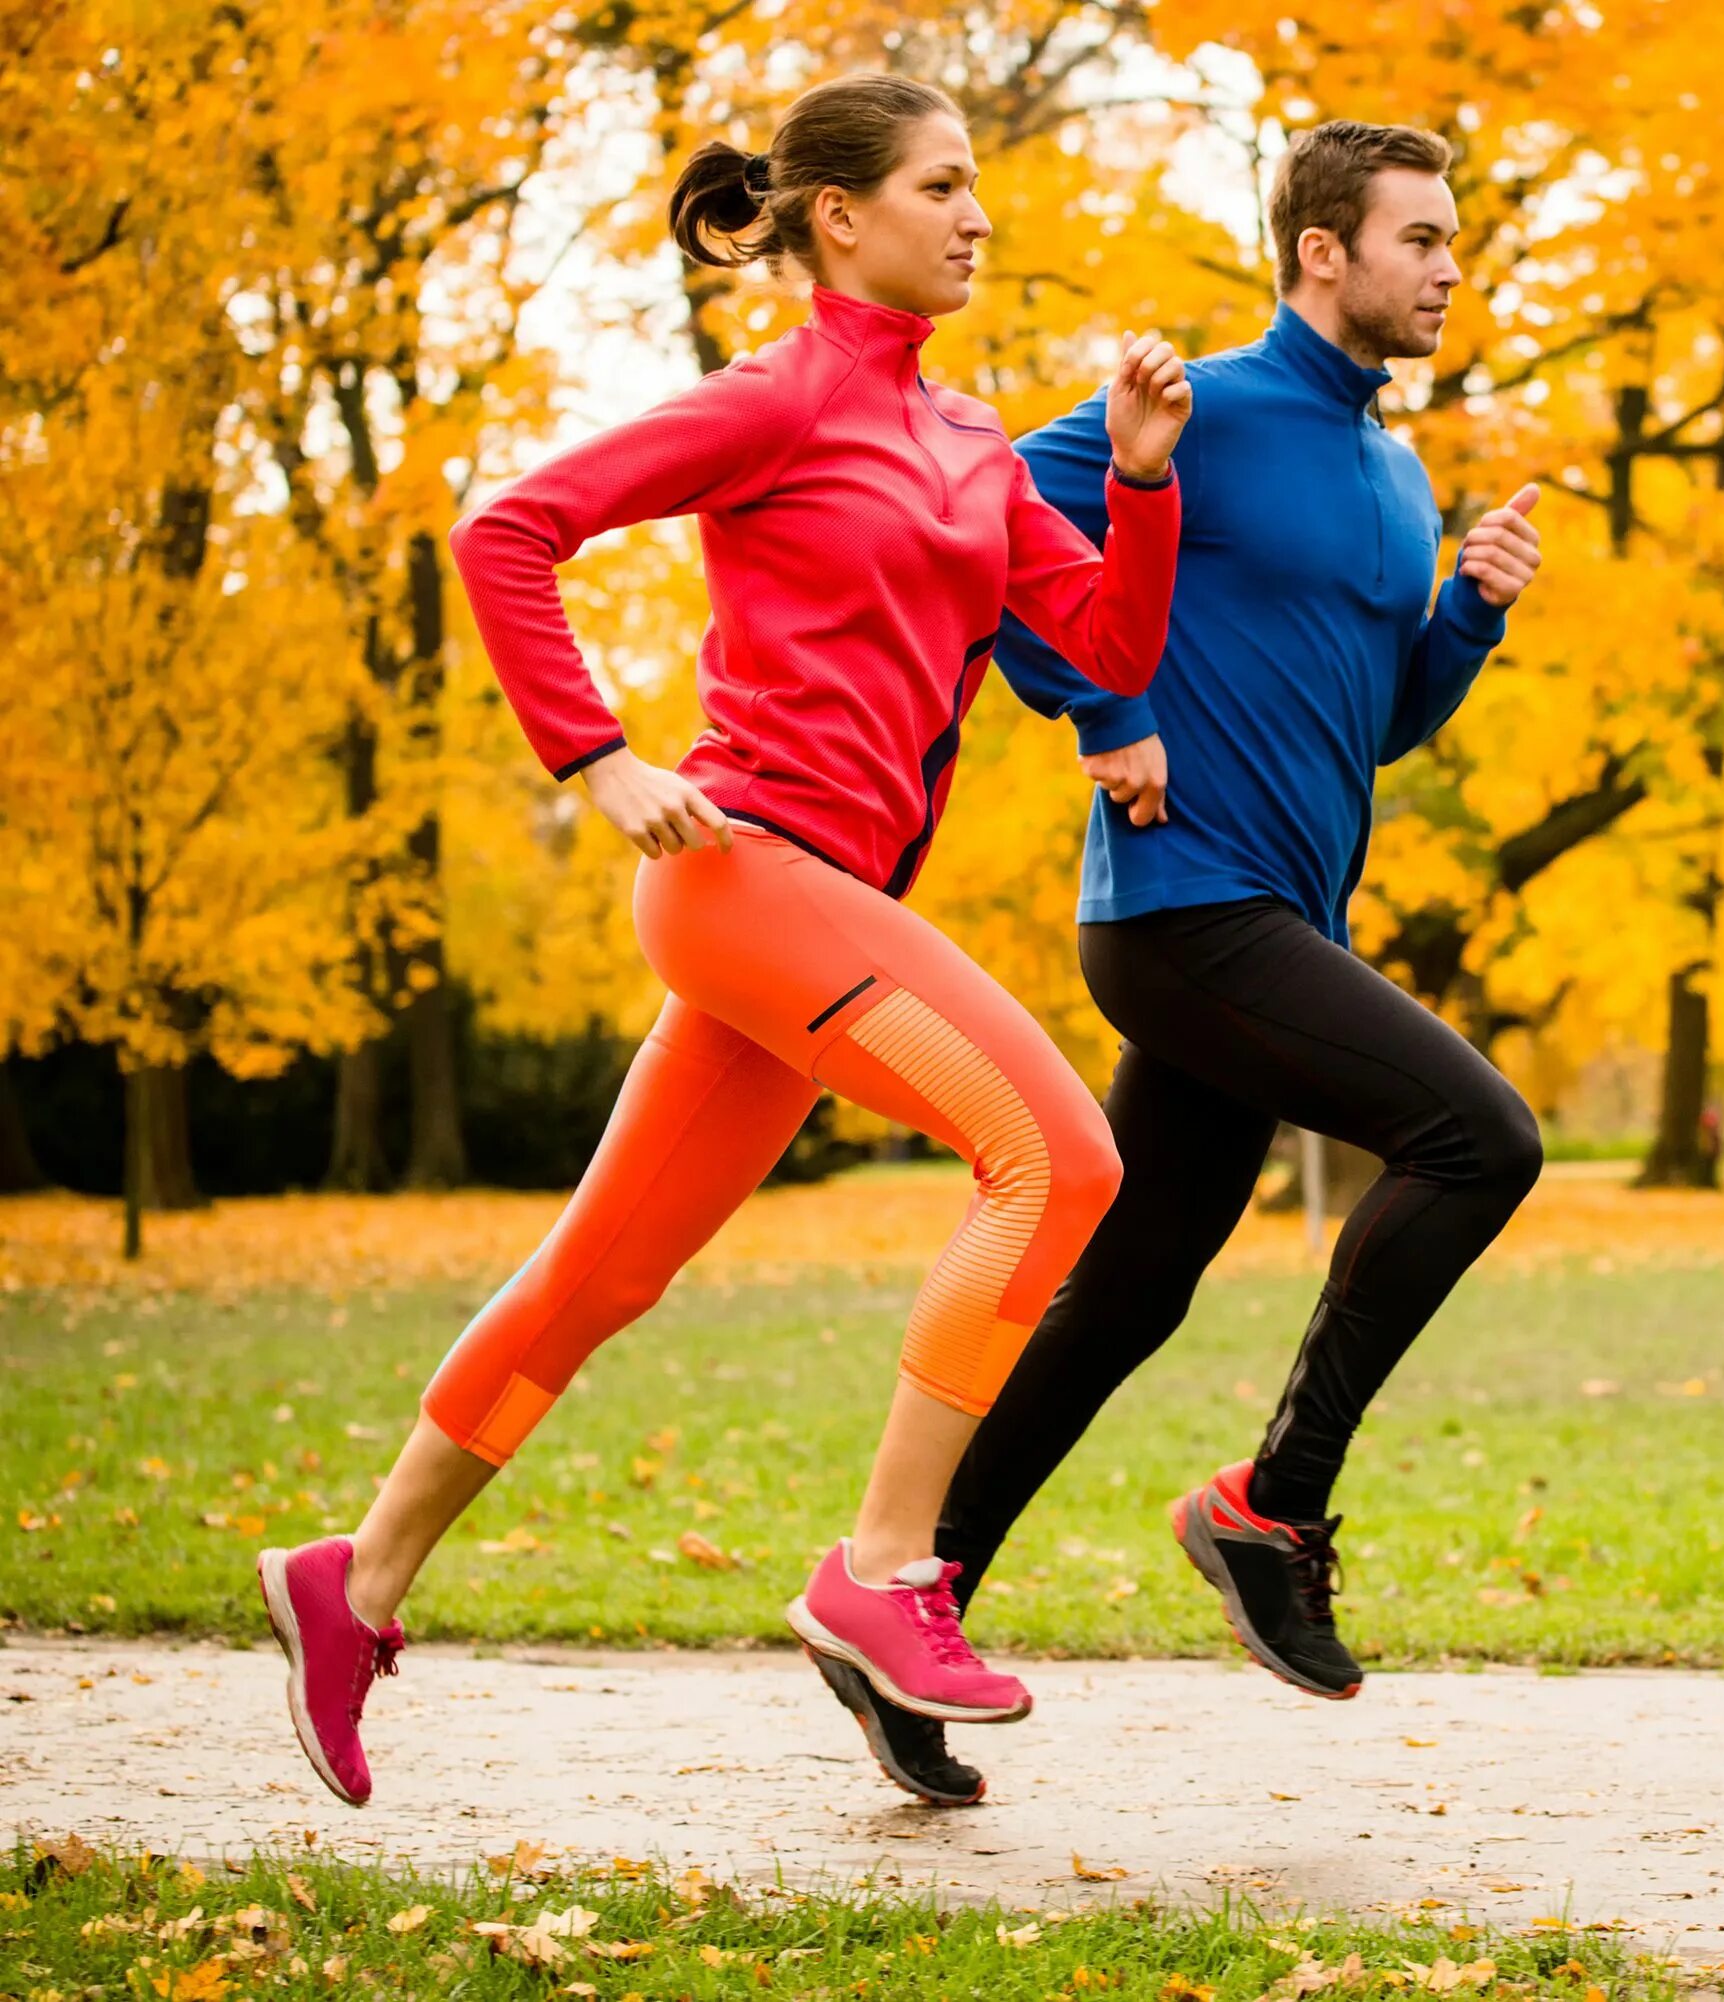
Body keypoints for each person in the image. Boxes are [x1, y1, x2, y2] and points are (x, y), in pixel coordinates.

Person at [252, 72, 1193, 1810]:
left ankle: (355, 1577)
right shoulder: (771, 402)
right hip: (739, 871)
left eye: (977, 188)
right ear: (840, 217)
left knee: (604, 1271)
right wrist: (596, 758)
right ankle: (883, 1570)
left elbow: (1109, 643)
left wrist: (1140, 480)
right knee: (1058, 1156)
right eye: (942, 186)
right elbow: (508, 530)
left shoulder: (977, 441)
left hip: (824, 914)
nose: (978, 215)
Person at [819, 120, 1550, 1805]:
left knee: (1129, 1290)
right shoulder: (1203, 407)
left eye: (1453, 241)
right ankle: (1273, 1504)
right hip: (1182, 909)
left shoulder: (1393, 472)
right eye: (1420, 239)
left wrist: (1467, 620)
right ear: (1321, 254)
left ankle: (902, 1606)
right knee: (1481, 1136)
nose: (1448, 268)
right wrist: (1110, 710)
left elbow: (1376, 732)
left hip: (1276, 915)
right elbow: (996, 534)